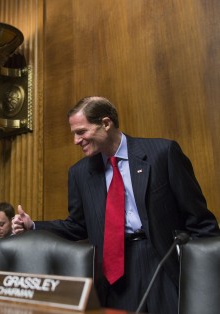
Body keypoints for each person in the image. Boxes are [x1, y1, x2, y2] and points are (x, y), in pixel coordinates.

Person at [12, 96, 220, 313]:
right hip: (116, 273)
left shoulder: (162, 153)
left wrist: (210, 274)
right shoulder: (80, 173)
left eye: (81, 132)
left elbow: (199, 219)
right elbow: (77, 226)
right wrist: (33, 225)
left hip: (164, 262)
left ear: (106, 123)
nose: (76, 140)